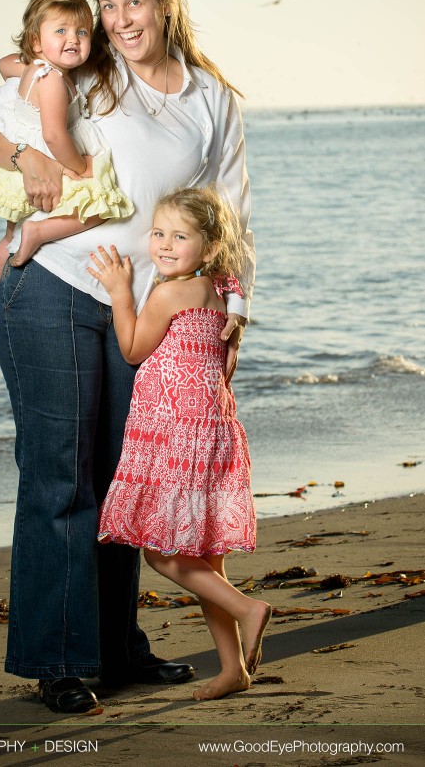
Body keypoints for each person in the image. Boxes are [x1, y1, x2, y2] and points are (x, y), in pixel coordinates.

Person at [0, 0, 255, 715]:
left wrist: (233, 316)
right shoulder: (89, 73)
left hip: (149, 312)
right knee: (61, 479)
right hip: (54, 289)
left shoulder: (211, 99)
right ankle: (58, 661)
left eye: (134, 1)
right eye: (108, 4)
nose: (121, 19)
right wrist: (25, 151)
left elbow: (230, 216)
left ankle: (115, 649)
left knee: (129, 482)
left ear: (164, 0)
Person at [89, 187, 271, 701]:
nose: (164, 245)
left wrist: (120, 289)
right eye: (158, 233)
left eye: (180, 236)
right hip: (213, 429)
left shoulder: (169, 294)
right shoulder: (220, 287)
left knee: (163, 555)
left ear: (209, 247)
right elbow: (236, 287)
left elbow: (131, 348)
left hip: (178, 435)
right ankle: (233, 669)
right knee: (207, 557)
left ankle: (247, 609)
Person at [0, 0, 134, 319]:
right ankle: (40, 232)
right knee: (105, 204)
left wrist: (29, 63)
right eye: (60, 31)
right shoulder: (55, 81)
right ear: (35, 41)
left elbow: (4, 65)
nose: (73, 38)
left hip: (16, 167)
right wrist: (80, 168)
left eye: (82, 32)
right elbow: (55, 135)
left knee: (9, 233)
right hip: (47, 162)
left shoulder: (33, 68)